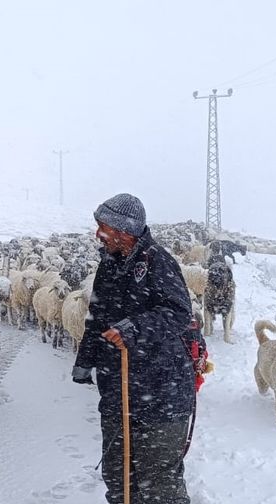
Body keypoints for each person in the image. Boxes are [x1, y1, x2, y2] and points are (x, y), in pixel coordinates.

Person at [72, 193, 195, 504]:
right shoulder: (109, 264)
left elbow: (179, 312)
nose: (97, 234)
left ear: (123, 231)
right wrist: (86, 358)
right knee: (119, 480)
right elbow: (97, 315)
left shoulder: (158, 262)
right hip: (118, 393)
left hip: (161, 394)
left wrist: (134, 328)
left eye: (102, 227)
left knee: (158, 485)